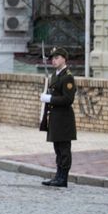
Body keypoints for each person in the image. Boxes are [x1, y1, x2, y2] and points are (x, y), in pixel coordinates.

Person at [39, 47, 76, 188]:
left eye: (57, 58)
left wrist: (50, 98)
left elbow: (68, 99)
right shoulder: (56, 75)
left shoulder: (68, 77)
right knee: (58, 149)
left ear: (64, 59)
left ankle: (63, 178)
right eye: (53, 58)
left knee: (64, 150)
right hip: (55, 117)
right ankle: (58, 175)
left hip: (64, 119)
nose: (54, 61)